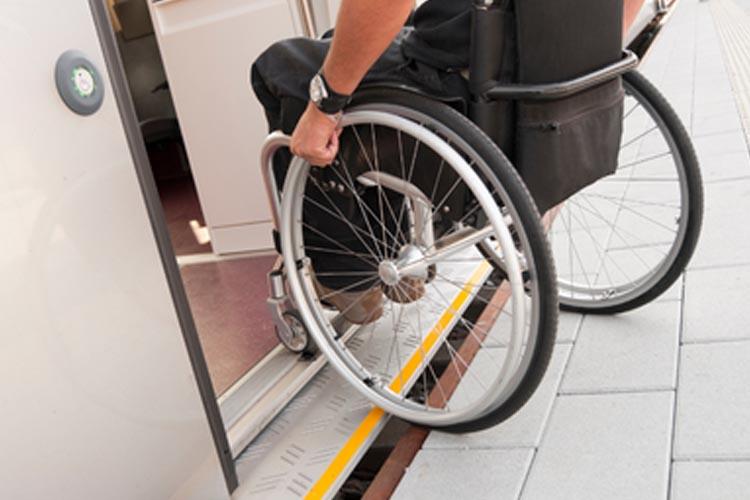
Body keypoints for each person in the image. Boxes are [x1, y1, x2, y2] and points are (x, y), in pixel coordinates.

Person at [252, 0, 646, 324]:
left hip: (463, 79)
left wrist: (323, 107)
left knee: (281, 68)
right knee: (339, 44)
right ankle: (388, 245)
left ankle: (348, 277)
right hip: (537, 77)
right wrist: (590, 61)